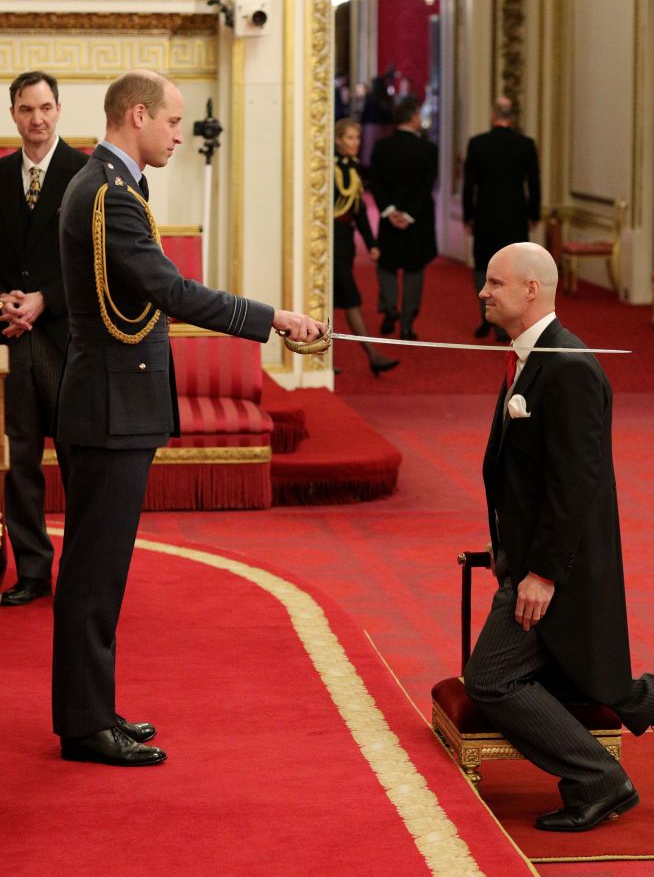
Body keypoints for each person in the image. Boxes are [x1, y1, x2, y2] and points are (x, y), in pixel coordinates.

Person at [51, 69, 327, 767]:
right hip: (110, 405)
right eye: (172, 121)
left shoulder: (113, 185)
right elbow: (167, 289)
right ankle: (85, 727)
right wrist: (273, 320)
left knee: (100, 574)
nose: (179, 133)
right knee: (94, 574)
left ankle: (92, 709)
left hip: (114, 398)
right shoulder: (107, 194)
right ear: (136, 115)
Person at [463, 241, 654, 832]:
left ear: (531, 291)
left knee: (490, 679)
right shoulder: (531, 356)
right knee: (567, 667)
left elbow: (575, 487)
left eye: (494, 283)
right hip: (527, 559)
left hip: (557, 570)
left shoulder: (567, 368)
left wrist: (541, 573)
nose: (482, 293)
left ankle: (599, 779)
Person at [0, 71, 88, 606]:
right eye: (26, 109)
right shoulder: (1, 175)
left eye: (46, 108)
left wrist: (44, 299)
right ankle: (33, 571)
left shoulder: (85, 173)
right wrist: (4, 301)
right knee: (19, 460)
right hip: (9, 340)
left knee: (79, 458)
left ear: (59, 110)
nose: (37, 119)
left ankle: (81, 571)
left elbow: (93, 260)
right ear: (13, 113)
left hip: (66, 337)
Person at [462, 96, 541, 341]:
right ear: (512, 118)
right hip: (515, 215)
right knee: (513, 271)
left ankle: (487, 317)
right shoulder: (526, 145)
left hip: (485, 214)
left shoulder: (477, 144)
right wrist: (534, 213)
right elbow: (534, 184)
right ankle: (506, 322)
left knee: (483, 268)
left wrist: (468, 215)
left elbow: (469, 185)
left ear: (492, 116)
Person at [368, 96, 438, 341]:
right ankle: (407, 325)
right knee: (414, 271)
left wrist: (389, 211)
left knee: (386, 265)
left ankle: (389, 309)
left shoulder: (381, 146)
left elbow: (374, 182)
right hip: (417, 220)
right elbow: (426, 186)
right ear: (413, 117)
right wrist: (408, 214)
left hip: (389, 219)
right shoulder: (428, 149)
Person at [333, 118, 398, 376]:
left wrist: (371, 244)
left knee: (337, 301)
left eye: (357, 138)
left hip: (346, 240)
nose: (354, 143)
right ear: (338, 140)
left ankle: (325, 359)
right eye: (349, 138)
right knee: (349, 299)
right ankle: (372, 354)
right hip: (331, 240)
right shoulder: (329, 168)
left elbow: (358, 212)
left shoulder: (356, 168)